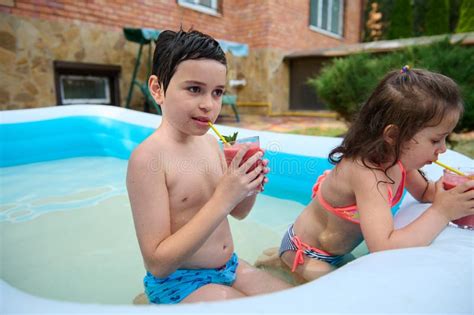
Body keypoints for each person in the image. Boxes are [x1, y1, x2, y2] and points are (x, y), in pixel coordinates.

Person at [126, 29, 291, 305]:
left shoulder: (212, 144)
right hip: (180, 281)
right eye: (194, 89)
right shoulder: (149, 159)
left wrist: (248, 187)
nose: (208, 105)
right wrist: (224, 197)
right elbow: (158, 263)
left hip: (230, 266)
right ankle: (151, 301)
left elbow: (237, 212)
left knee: (297, 302)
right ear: (158, 89)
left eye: (217, 93)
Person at [278, 66, 474, 282]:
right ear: (393, 135)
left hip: (335, 252)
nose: (443, 148)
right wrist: (442, 212)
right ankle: (277, 261)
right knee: (338, 291)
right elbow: (384, 247)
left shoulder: (398, 160)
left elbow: (426, 192)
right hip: (307, 253)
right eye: (435, 140)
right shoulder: (368, 174)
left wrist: (456, 193)